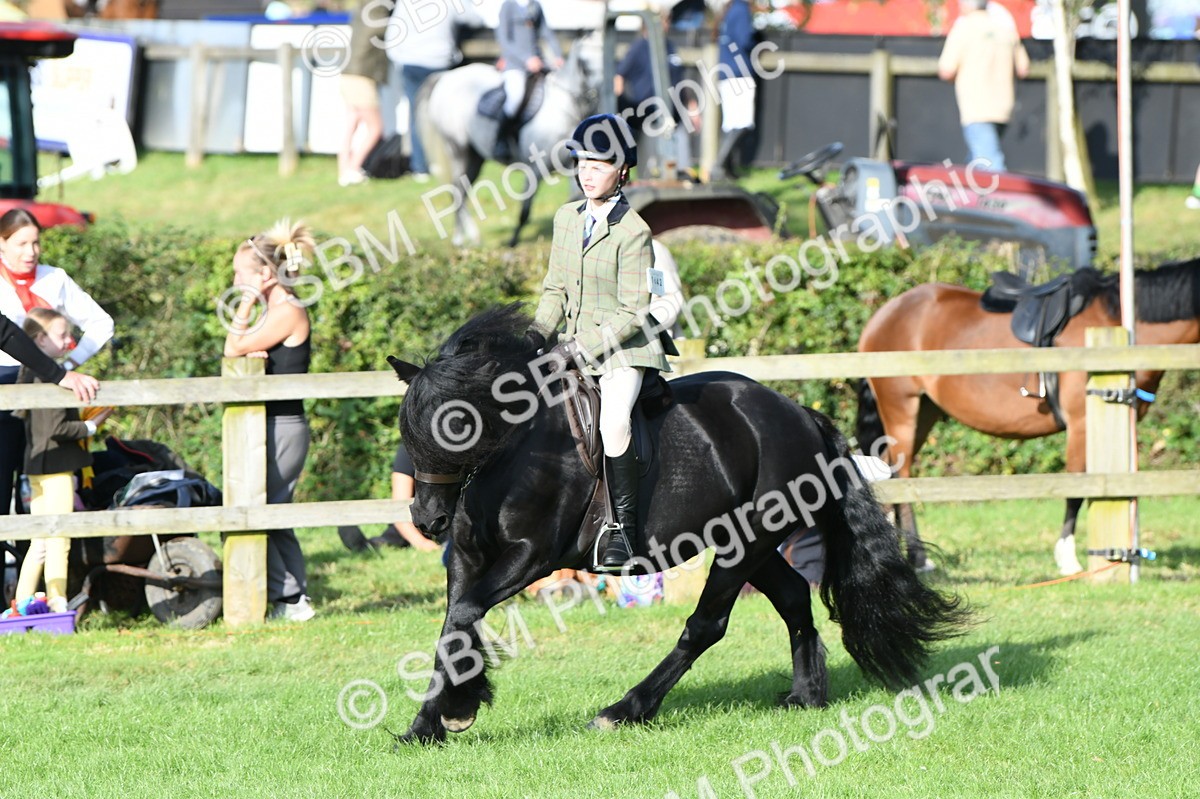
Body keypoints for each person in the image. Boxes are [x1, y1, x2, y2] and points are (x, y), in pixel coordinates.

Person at [527, 113, 671, 572]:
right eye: (581, 162)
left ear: (622, 171)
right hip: (571, 342)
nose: (587, 172)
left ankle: (622, 532)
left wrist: (577, 348)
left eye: (599, 164)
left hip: (623, 351)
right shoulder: (566, 218)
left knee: (613, 426)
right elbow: (555, 290)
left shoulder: (635, 232)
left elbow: (634, 312)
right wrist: (535, 335)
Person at [223, 219, 317, 622]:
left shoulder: (287, 309)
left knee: (265, 511)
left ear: (263, 273)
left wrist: (246, 302)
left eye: (239, 273)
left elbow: (232, 345)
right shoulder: (274, 311)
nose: (233, 279)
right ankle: (293, 598)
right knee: (272, 510)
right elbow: (239, 350)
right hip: (266, 425)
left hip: (284, 427)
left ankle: (292, 599)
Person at [0, 208, 112, 516]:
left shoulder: (55, 279)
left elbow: (101, 323)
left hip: (48, 387)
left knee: (46, 486)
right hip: (5, 387)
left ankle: (39, 558)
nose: (31, 251)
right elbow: (5, 333)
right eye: (21, 243)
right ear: (2, 244)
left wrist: (69, 367)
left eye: (35, 243)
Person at [12, 308, 112, 613]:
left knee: (40, 540)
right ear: (40, 340)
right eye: (63, 335)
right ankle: (58, 604)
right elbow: (57, 429)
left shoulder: (27, 373)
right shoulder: (50, 375)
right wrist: (94, 425)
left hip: (37, 467)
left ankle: (21, 603)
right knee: (58, 539)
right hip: (56, 469)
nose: (70, 342)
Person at [384, 0, 485, 182]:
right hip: (438, 63)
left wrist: (400, 60)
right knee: (442, 116)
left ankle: (420, 167)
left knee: (417, 116)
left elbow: (392, 34)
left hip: (411, 63)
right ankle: (442, 163)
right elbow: (474, 19)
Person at [937, 0, 1030, 173]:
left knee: (991, 166)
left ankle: (1003, 199)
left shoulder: (963, 29)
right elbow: (1023, 68)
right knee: (977, 160)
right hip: (1004, 107)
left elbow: (946, 70)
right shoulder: (1006, 29)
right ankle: (961, 197)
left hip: (976, 107)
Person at [615, 10, 702, 177]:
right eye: (662, 21)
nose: (666, 25)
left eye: (667, 21)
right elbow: (619, 77)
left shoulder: (670, 46)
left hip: (674, 116)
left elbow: (680, 81)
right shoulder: (639, 47)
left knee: (681, 168)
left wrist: (692, 108)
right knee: (650, 171)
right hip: (649, 118)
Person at [338, 442, 440, 553]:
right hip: (409, 524)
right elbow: (399, 507)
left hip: (447, 523)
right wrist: (422, 543)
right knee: (382, 543)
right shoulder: (409, 450)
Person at [494, 0, 563, 161]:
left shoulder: (535, 5)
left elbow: (546, 32)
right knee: (515, 98)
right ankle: (500, 140)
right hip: (515, 65)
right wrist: (526, 59)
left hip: (538, 64)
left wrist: (558, 55)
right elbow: (504, 40)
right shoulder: (508, 6)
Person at [336, 0, 389, 186]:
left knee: (352, 122)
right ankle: (353, 168)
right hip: (362, 77)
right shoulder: (378, 14)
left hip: (348, 73)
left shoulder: (361, 11)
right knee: (376, 128)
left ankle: (344, 170)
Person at [712, 0, 758, 180]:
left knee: (731, 124)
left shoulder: (730, 10)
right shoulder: (741, 9)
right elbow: (745, 39)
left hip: (728, 73)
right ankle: (718, 167)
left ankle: (726, 170)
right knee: (742, 123)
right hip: (739, 72)